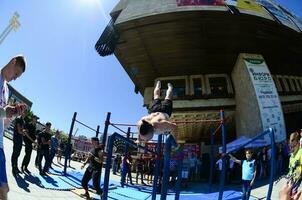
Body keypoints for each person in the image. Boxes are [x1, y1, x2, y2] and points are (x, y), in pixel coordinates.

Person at [0, 55, 27, 200]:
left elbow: (3, 120)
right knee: (2, 190)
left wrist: (13, 113)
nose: (15, 78)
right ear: (13, 62)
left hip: (0, 145)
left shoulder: (6, 89)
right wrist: (5, 111)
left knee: (4, 190)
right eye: (16, 73)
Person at [11, 111, 26, 175]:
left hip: (20, 140)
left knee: (17, 154)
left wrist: (23, 132)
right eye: (24, 112)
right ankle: (13, 168)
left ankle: (16, 167)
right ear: (21, 113)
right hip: (16, 139)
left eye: (25, 113)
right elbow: (19, 131)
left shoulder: (23, 121)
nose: (24, 114)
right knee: (15, 154)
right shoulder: (19, 119)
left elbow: (21, 130)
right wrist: (23, 132)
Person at [288, 132, 302, 197]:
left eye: (293, 146)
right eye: (290, 147)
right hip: (292, 178)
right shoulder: (291, 156)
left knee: (294, 194)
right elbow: (290, 168)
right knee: (289, 193)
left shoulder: (301, 152)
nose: (291, 149)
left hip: (298, 178)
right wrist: (289, 176)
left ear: (298, 143)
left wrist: (297, 175)